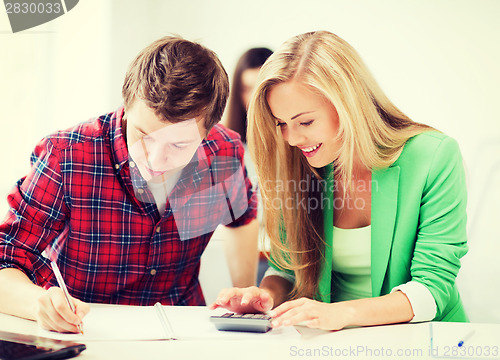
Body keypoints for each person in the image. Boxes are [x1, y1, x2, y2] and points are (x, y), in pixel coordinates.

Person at [210, 30, 468, 331]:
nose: (292, 139)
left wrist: (341, 314)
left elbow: (432, 290)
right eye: (281, 123)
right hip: (333, 341)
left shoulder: (434, 156)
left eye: (305, 122)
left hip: (428, 339)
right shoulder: (300, 164)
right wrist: (265, 295)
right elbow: (287, 270)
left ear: (349, 104)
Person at [0, 36, 259, 333]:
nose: (156, 159)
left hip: (183, 331)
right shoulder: (67, 155)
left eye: (178, 145)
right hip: (84, 329)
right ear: (127, 101)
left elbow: (241, 219)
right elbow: (6, 255)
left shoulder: (223, 151)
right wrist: (38, 303)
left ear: (208, 130)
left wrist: (246, 296)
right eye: (143, 134)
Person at [224, 47, 273, 145]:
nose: (253, 97)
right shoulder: (221, 141)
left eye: (261, 88)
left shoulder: (292, 138)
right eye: (246, 89)